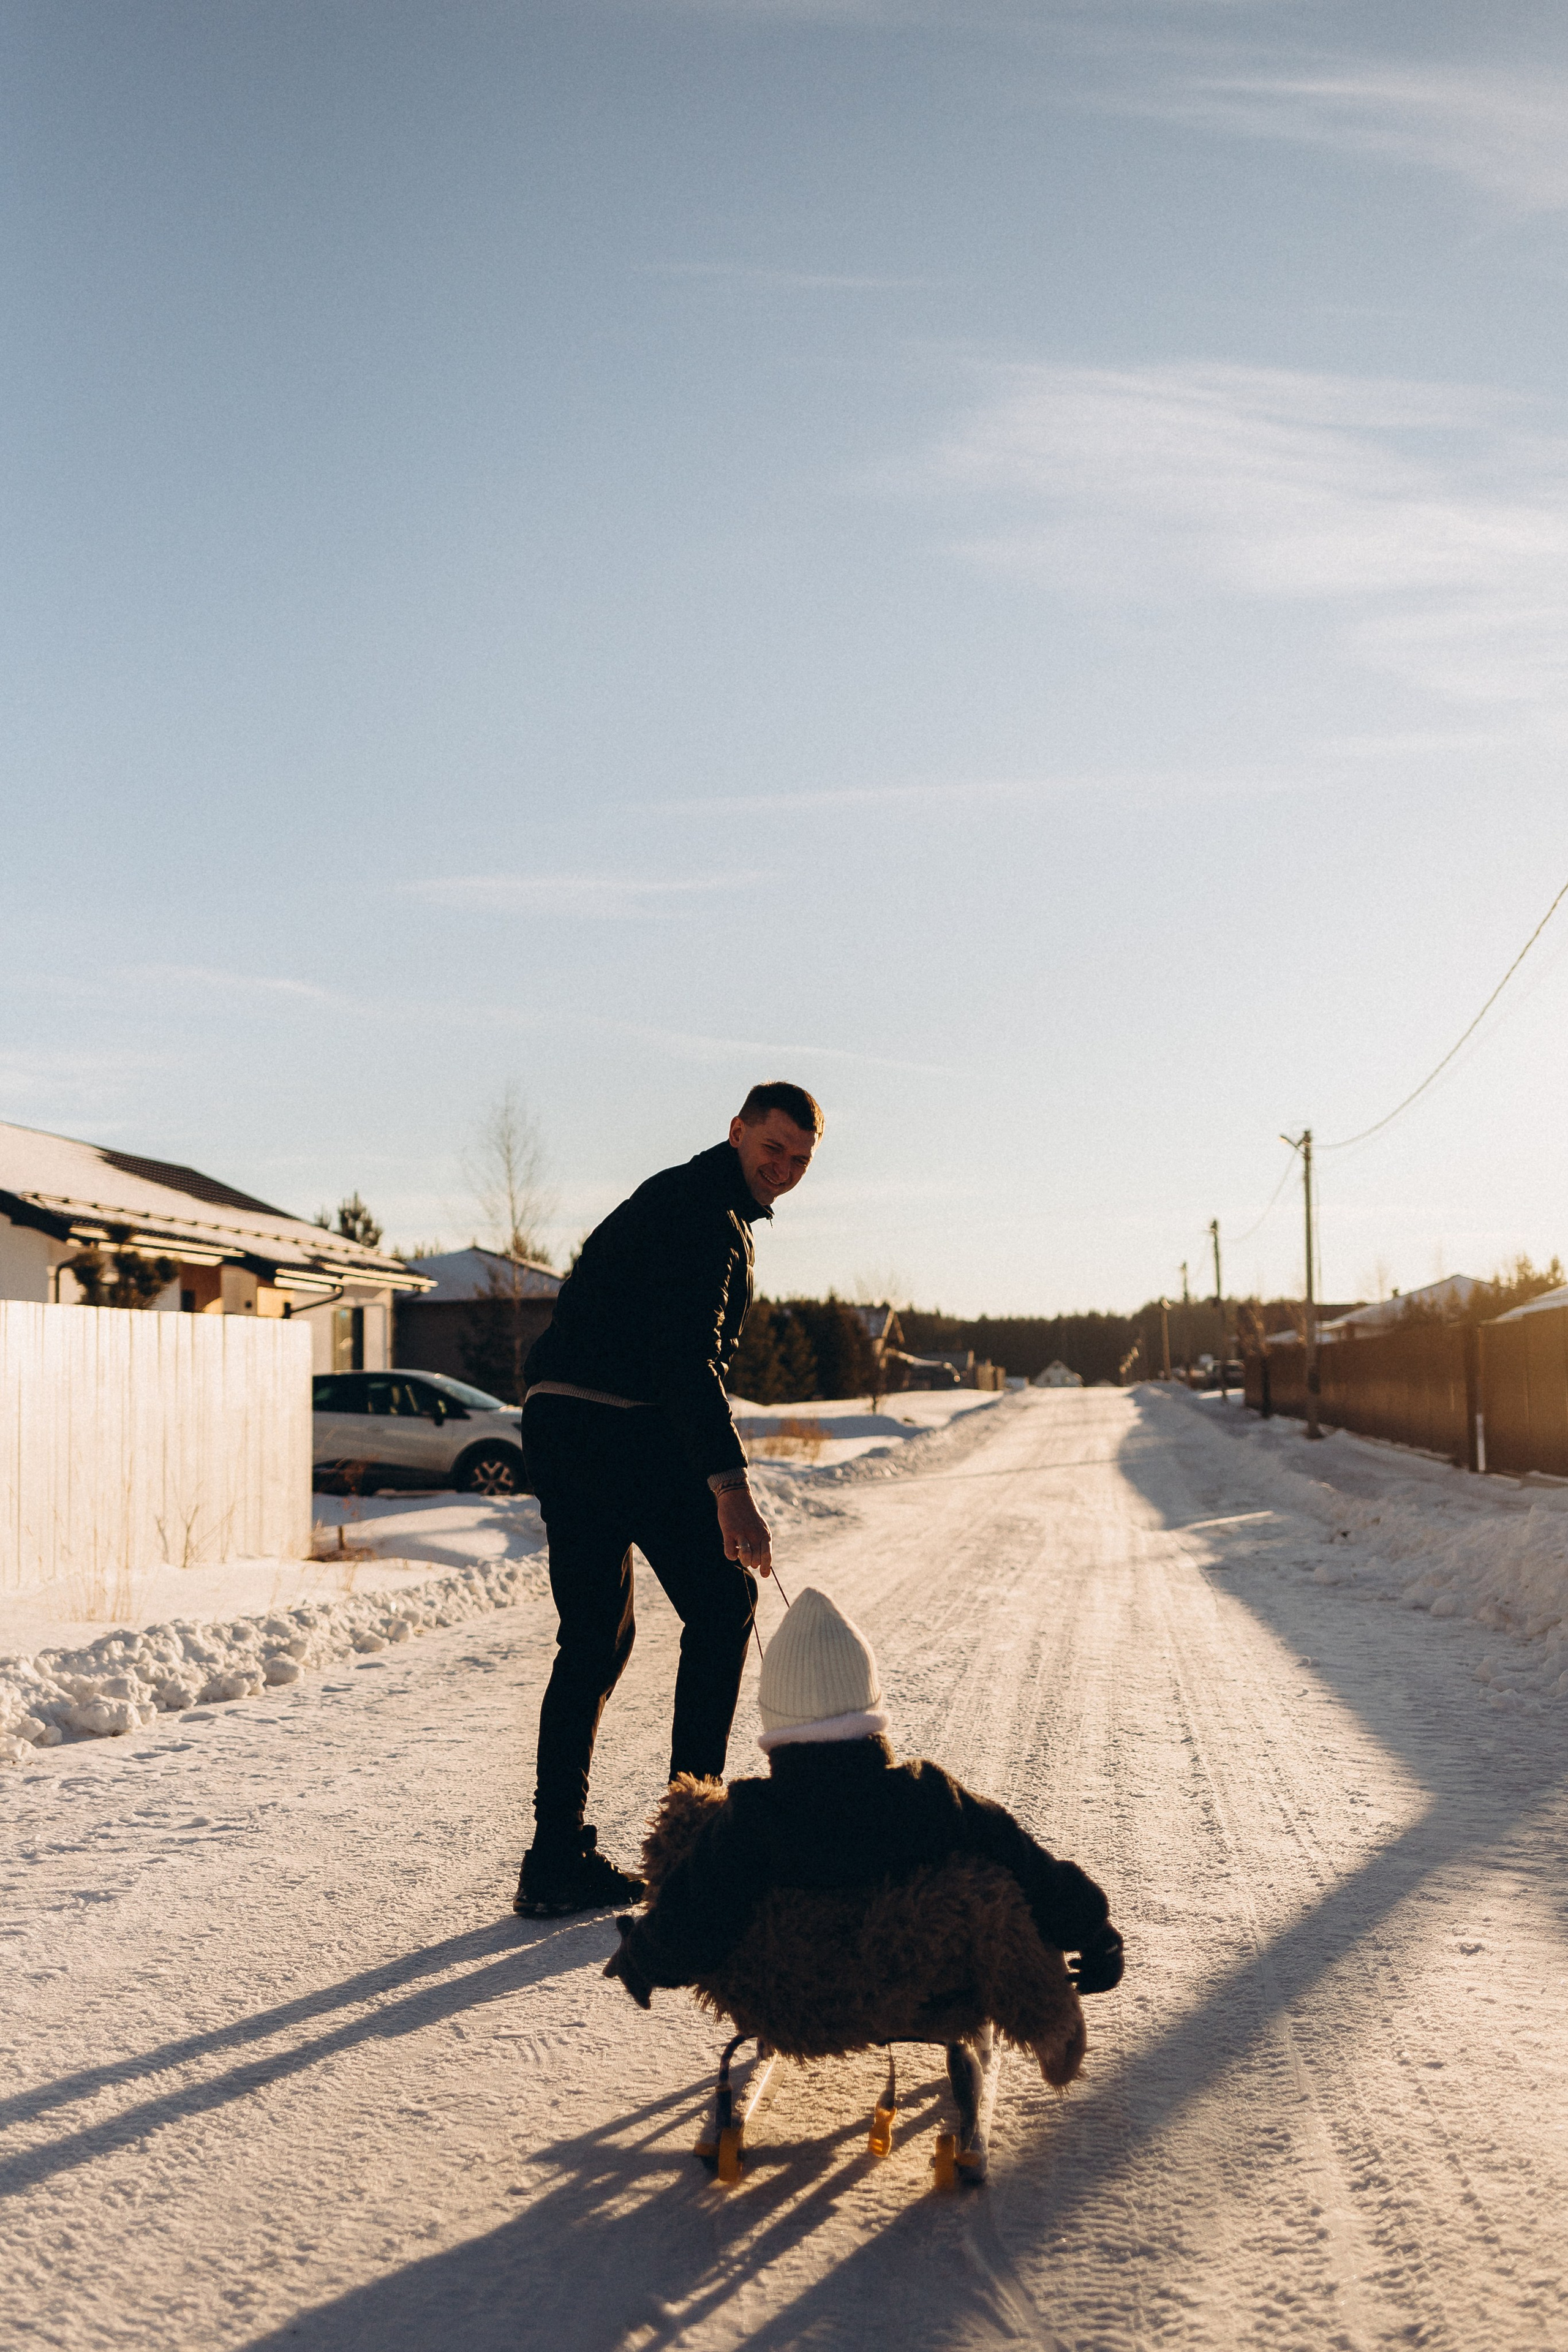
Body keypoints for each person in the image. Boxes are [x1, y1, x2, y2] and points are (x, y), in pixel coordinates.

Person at [513, 1081, 822, 1918]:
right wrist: (731, 1491)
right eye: (772, 1150)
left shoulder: (676, 1196)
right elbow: (687, 1364)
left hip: (557, 1417)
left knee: (593, 1641)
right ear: (737, 1132)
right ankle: (693, 1849)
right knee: (724, 1603)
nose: (784, 1169)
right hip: (620, 1425)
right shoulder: (706, 1217)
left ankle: (554, 1861)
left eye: (800, 1159)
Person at [603, 1586, 1125, 2016]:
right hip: (921, 1990)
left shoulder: (753, 1818)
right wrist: (1092, 1931)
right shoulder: (927, 1796)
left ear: (774, 1722)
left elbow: (699, 1915)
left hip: (798, 2001)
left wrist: (643, 1956)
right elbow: (1027, 1864)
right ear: (872, 1709)